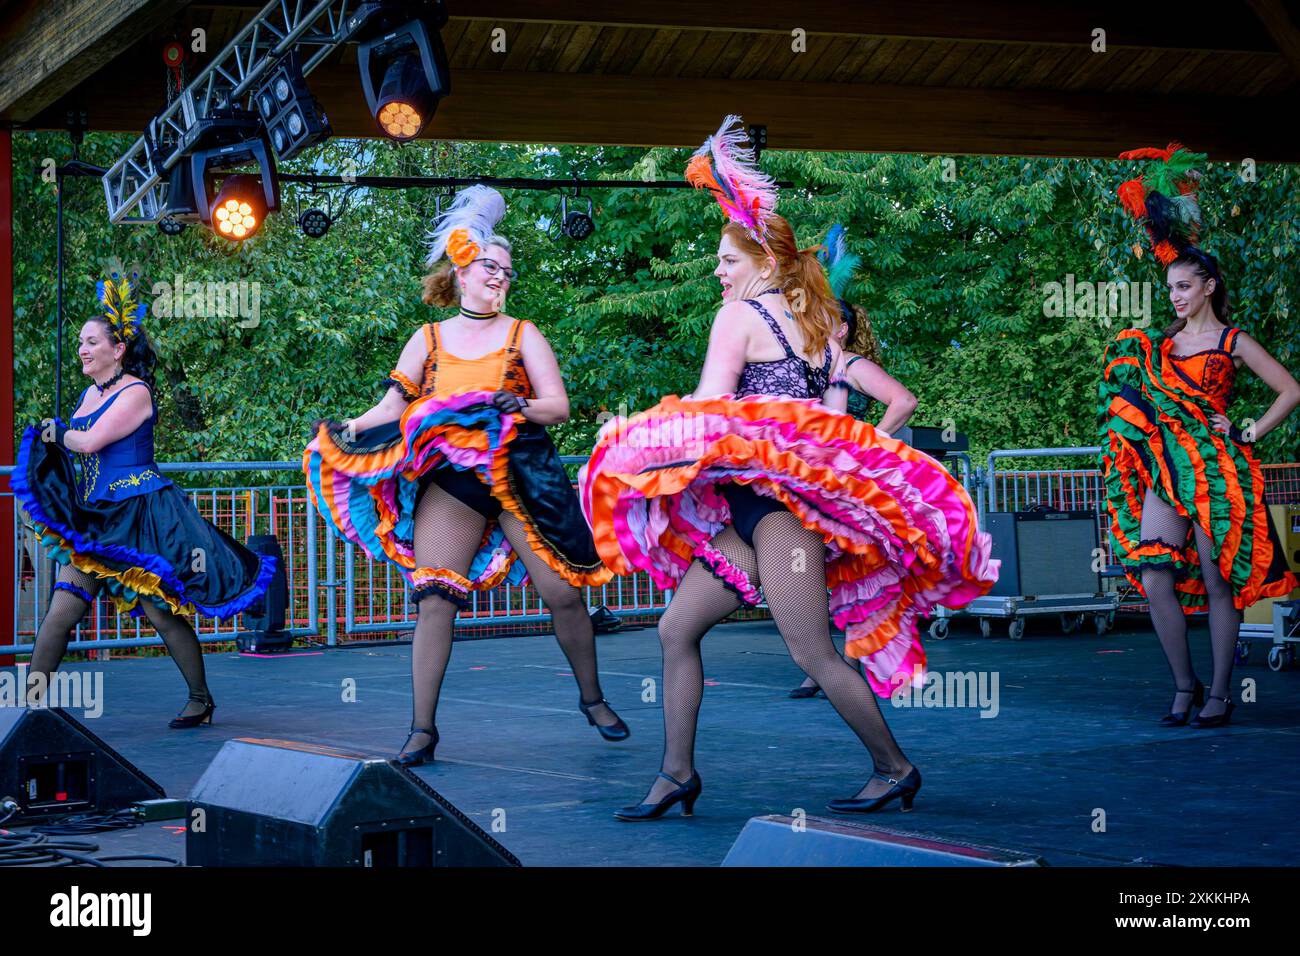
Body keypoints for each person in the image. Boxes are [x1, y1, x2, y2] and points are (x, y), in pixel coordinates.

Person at [580, 117, 998, 819]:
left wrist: (630, 436)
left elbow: (711, 410)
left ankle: (893, 766)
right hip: (759, 514)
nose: (717, 272)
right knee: (676, 629)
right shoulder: (806, 325)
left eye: (726, 261)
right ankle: (676, 773)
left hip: (778, 521)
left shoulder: (739, 320)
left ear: (764, 264)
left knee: (813, 655)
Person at [304, 186, 628, 767]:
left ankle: (593, 699)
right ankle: (422, 731)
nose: (500, 276)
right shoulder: (427, 339)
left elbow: (558, 406)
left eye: (506, 270)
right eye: (489, 267)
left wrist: (517, 405)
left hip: (521, 475)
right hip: (453, 480)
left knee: (562, 593)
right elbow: (391, 409)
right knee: (434, 597)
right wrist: (344, 428)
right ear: (460, 271)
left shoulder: (523, 334)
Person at [13, 275, 275, 726]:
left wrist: (61, 434)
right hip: (98, 519)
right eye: (80, 342)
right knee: (62, 610)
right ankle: (28, 705)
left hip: (142, 517)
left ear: (118, 348)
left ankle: (200, 698)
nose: (82, 349)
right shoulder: (89, 393)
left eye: (91, 341)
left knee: (161, 614)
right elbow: (77, 442)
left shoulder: (136, 392)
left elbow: (91, 442)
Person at [1101, 143, 1300, 728]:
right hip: (1168, 471)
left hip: (1218, 469)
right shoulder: (1158, 345)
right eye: (1170, 290)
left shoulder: (1233, 342)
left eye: (1184, 288)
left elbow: (1290, 389)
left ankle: (1218, 693)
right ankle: (1183, 686)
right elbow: (1131, 402)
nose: (1175, 297)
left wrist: (1248, 428)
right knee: (1154, 572)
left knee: (1218, 579)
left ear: (1208, 287)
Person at [790, 227, 918, 699]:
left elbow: (904, 401)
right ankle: (825, 663)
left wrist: (868, 445)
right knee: (815, 569)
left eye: (821, 318)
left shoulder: (852, 366)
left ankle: (838, 663)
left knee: (843, 567)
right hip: (820, 480)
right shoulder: (812, 369)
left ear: (840, 328)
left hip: (851, 481)